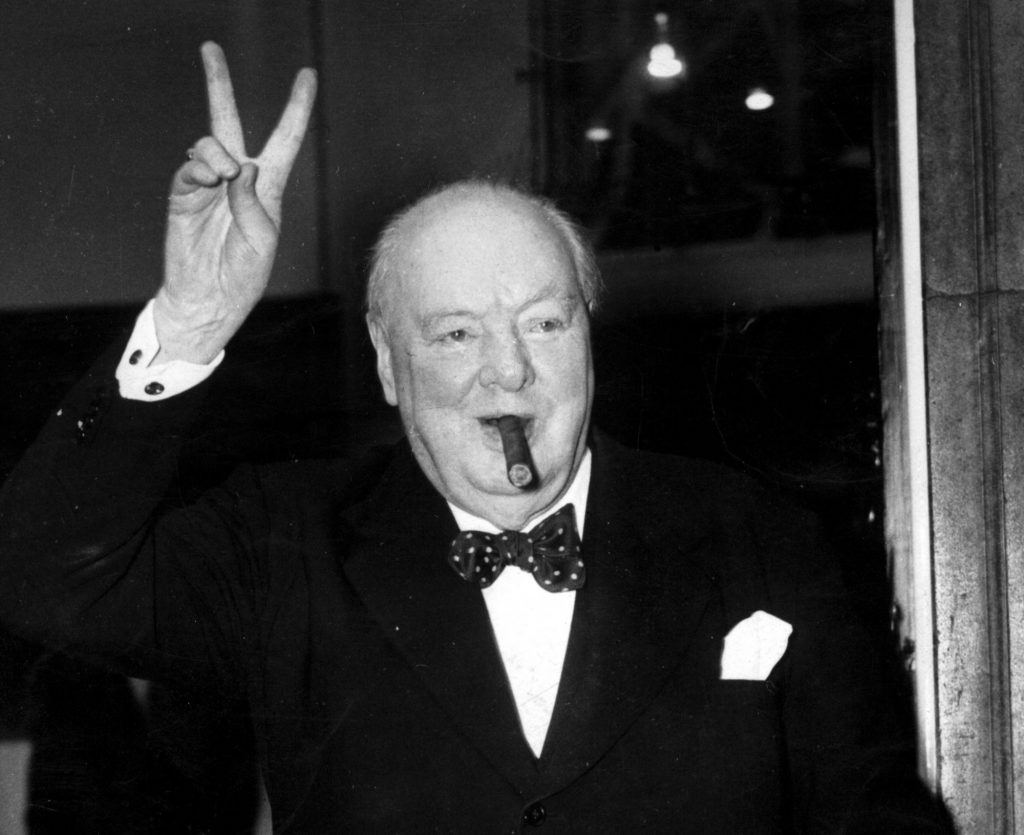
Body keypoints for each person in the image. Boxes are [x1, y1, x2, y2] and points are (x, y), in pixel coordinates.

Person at [0, 44, 949, 833]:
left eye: (544, 322)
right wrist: (190, 322)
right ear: (387, 363)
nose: (510, 372)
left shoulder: (760, 539)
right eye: (456, 334)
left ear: (589, 331)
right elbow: (40, 579)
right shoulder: (285, 546)